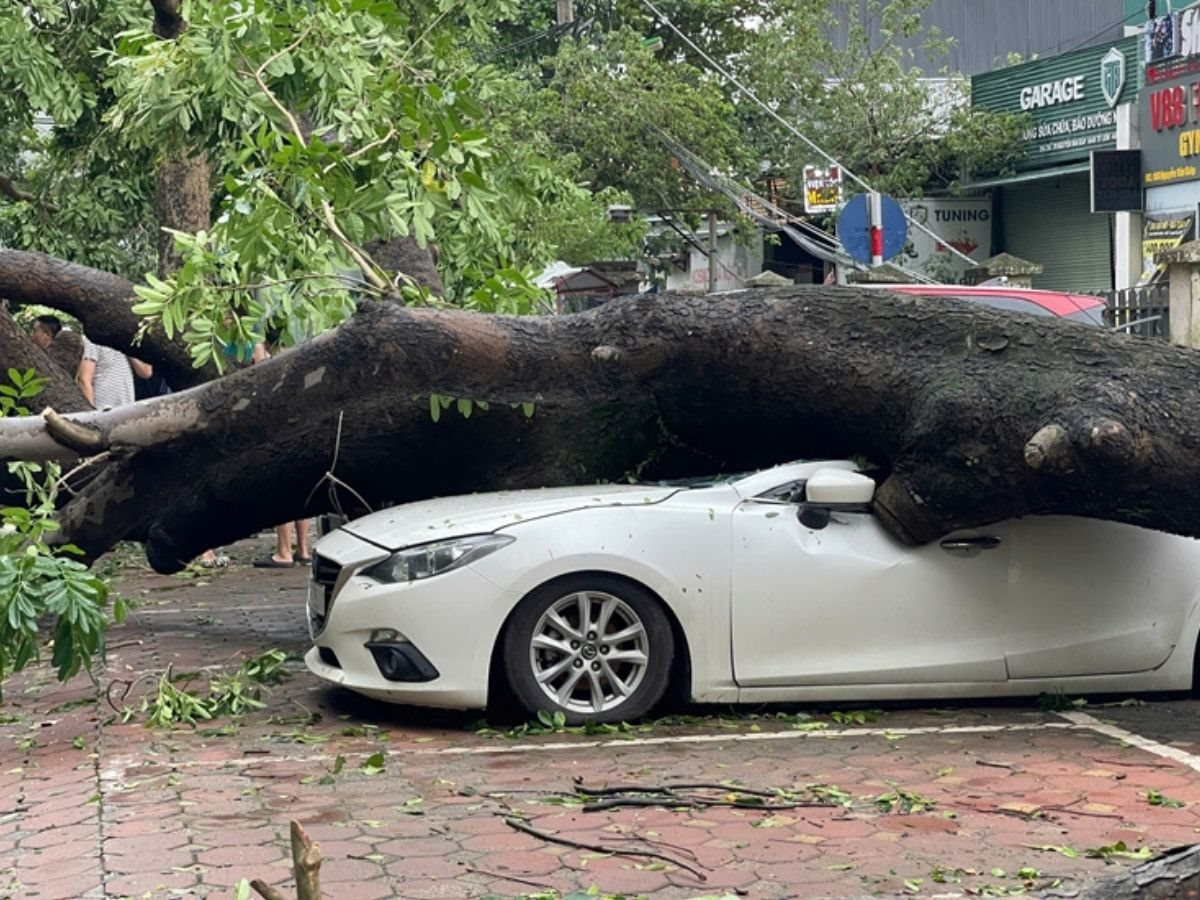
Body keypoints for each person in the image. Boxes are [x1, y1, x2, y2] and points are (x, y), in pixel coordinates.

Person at [77, 335, 151, 410]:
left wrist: (127, 348)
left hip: (127, 408)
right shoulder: (92, 339)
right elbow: (84, 380)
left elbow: (146, 372)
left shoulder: (131, 338)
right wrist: (91, 412)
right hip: (103, 409)